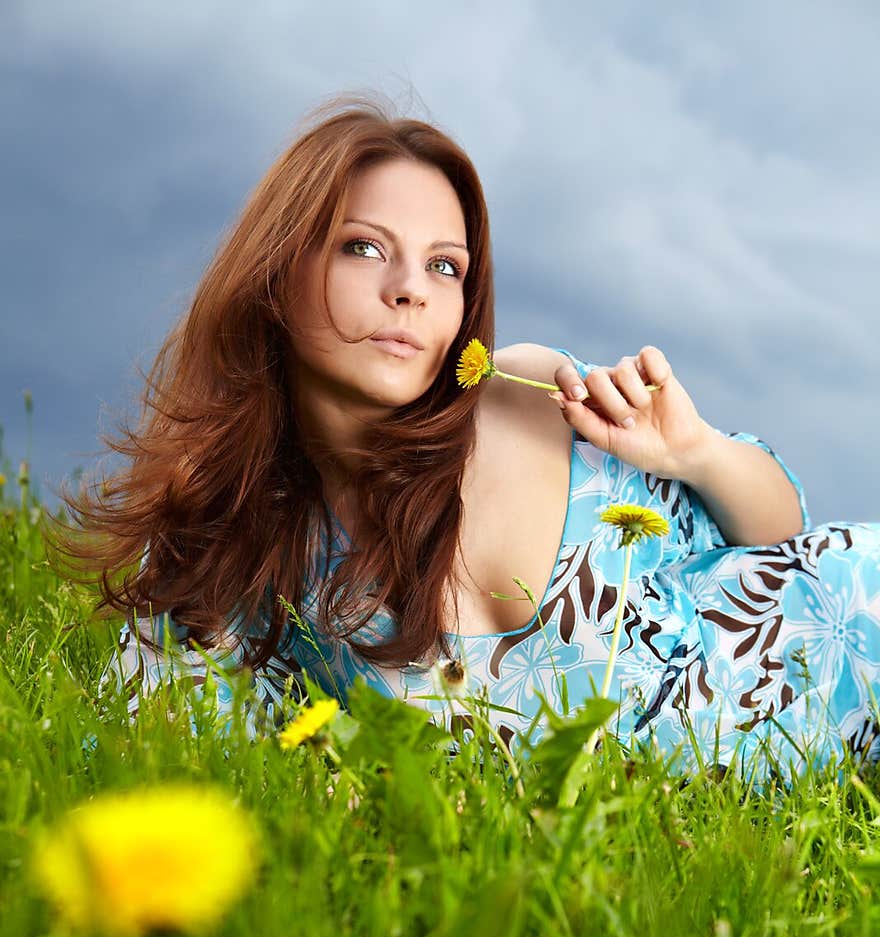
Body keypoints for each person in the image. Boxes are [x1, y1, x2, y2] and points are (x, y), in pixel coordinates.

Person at [46, 92, 880, 790]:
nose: (410, 290)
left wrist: (693, 453)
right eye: (364, 248)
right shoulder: (245, 546)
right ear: (276, 271)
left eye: (445, 265)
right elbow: (160, 760)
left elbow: (783, 535)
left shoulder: (526, 392)